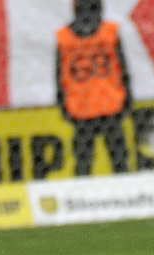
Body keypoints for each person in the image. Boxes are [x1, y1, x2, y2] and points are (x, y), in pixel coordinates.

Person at [56, 0, 132, 176]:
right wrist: (128, 98)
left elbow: (59, 75)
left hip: (82, 107)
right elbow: (123, 69)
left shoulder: (64, 37)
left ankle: (83, 192)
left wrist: (62, 103)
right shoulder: (109, 32)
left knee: (83, 163)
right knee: (119, 161)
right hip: (108, 104)